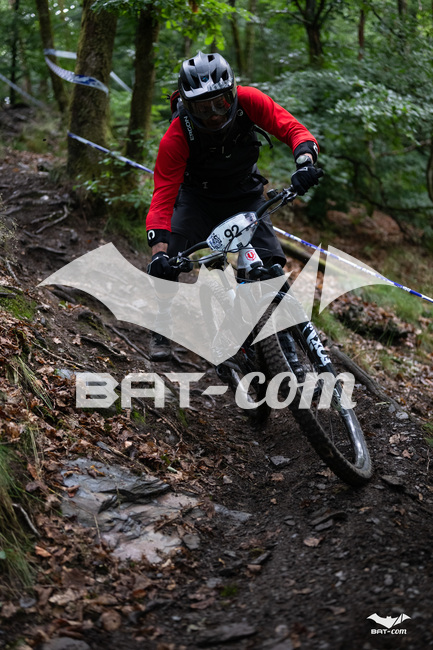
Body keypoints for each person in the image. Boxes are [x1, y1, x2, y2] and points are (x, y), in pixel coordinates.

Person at [146, 51, 321, 360]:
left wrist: (305, 162)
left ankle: (279, 341)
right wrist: (158, 253)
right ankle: (162, 320)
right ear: (187, 105)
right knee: (168, 260)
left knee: (271, 265)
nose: (214, 114)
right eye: (203, 108)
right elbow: (162, 197)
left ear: (232, 93)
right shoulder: (177, 135)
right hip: (197, 200)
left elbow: (293, 129)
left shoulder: (250, 101)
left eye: (221, 103)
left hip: (245, 195)